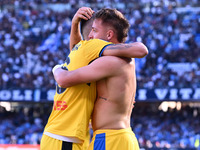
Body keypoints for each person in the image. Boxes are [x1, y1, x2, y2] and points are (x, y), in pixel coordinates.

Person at [41, 7, 148, 150]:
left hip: (109, 139)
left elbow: (70, 69)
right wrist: (75, 25)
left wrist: (57, 69)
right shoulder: (123, 59)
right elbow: (79, 53)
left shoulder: (110, 62)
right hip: (123, 136)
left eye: (94, 30)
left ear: (109, 35)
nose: (90, 36)